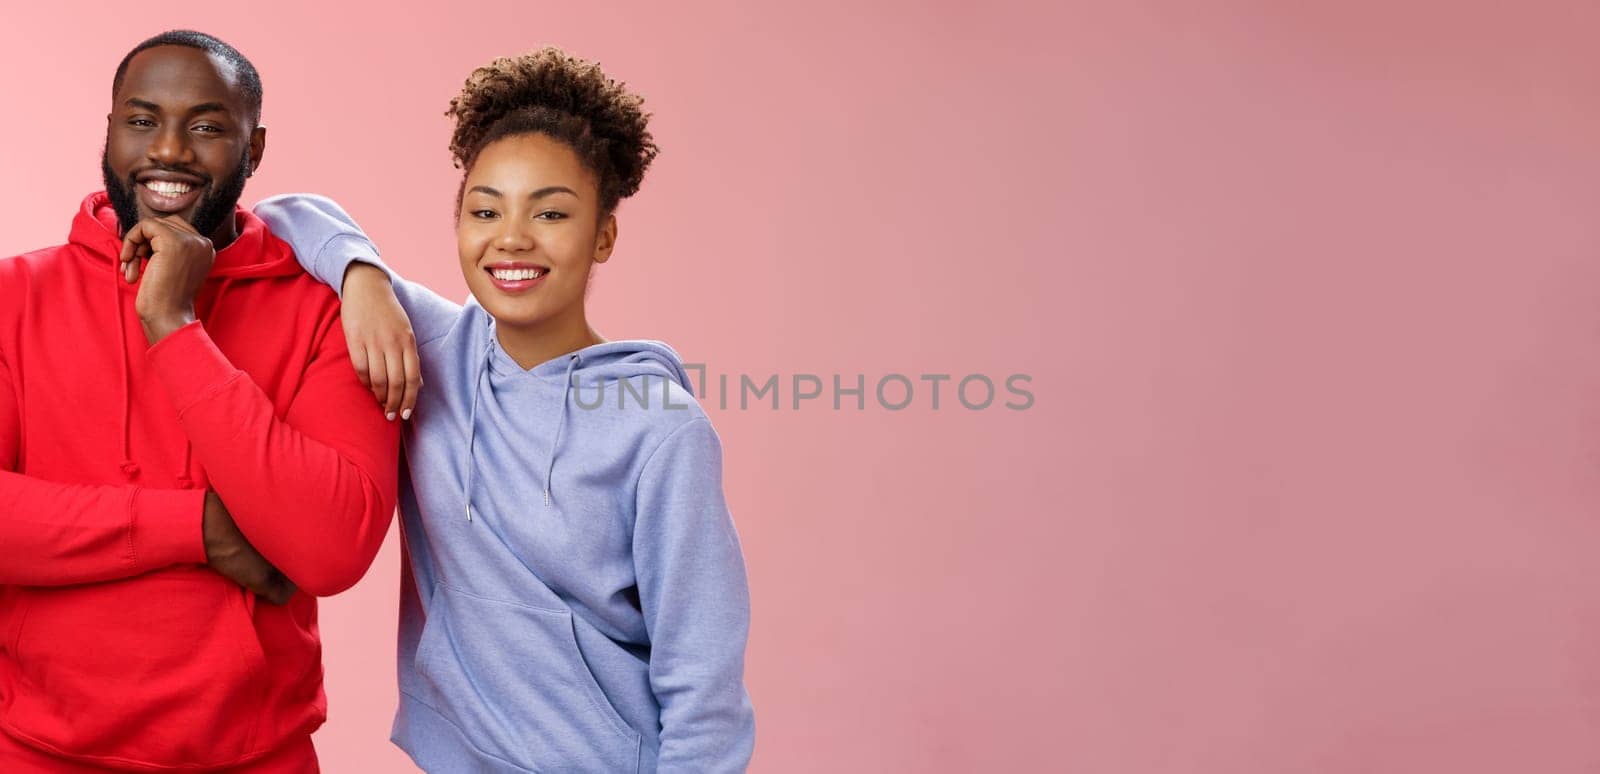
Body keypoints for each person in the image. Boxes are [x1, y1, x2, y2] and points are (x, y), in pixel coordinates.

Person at [251, 47, 756, 771]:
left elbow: (703, 682)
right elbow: (283, 214)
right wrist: (362, 277)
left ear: (603, 235)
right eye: (485, 209)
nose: (512, 238)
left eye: (550, 212)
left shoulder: (660, 428)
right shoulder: (432, 346)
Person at [0, 30, 400, 771]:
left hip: (257, 755)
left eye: (209, 126)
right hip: (35, 753)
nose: (172, 151)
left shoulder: (330, 313)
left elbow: (332, 548)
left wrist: (174, 325)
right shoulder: (14, 296)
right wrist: (198, 527)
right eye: (143, 120)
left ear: (256, 148)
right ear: (110, 131)